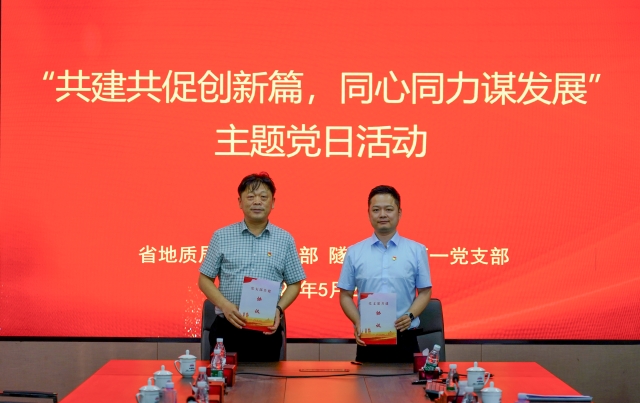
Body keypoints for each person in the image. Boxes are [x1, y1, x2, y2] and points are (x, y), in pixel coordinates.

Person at [198, 172, 306, 361]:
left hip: (266, 330)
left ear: (273, 202)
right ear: (240, 202)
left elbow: (295, 283)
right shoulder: (221, 236)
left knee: (268, 380)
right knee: (223, 378)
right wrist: (224, 305)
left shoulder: (285, 239)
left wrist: (279, 309)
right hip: (227, 327)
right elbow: (204, 279)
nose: (257, 202)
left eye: (263, 197)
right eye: (250, 197)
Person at [337, 185, 432, 363]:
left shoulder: (416, 250)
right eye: (376, 210)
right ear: (369, 214)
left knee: (408, 382)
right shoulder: (354, 252)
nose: (382, 214)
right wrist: (358, 321)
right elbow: (345, 295)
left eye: (388, 209)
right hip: (368, 337)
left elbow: (425, 292)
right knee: (366, 381)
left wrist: (410, 315)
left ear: (399, 213)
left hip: (405, 336)